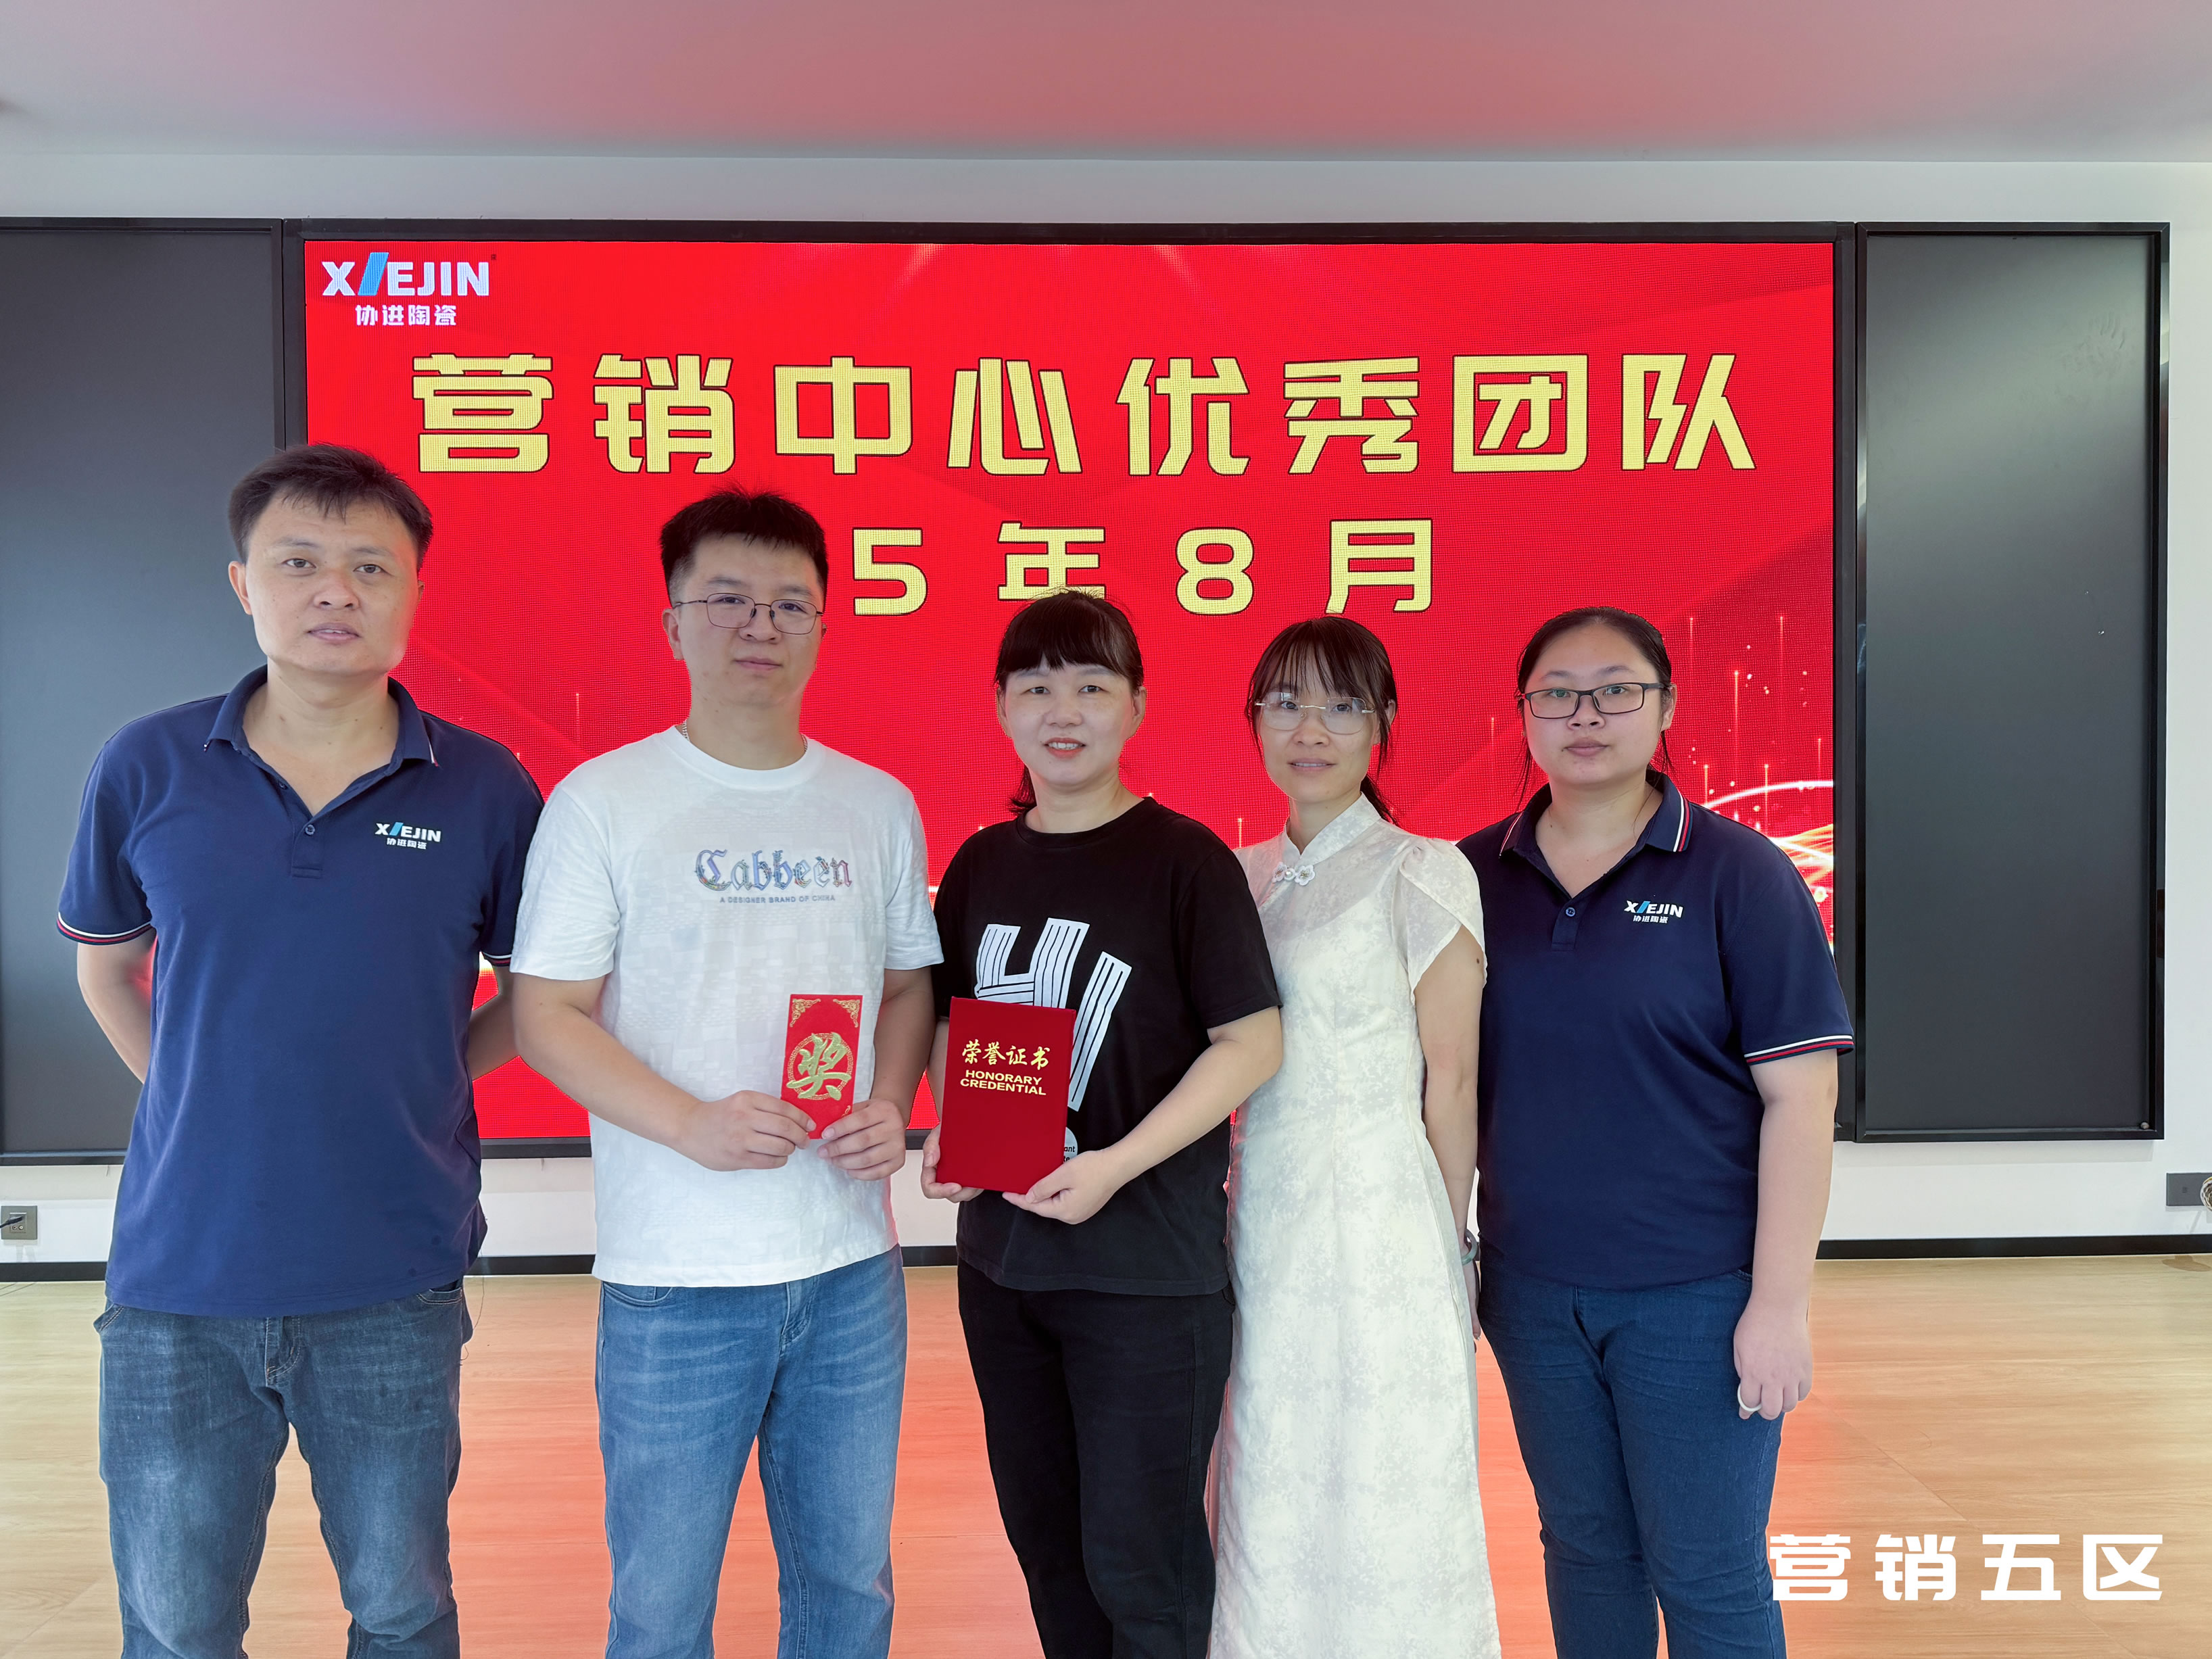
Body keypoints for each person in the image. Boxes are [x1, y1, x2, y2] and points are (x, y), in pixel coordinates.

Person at [59, 444, 544, 1659]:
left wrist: (429, 1072)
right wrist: (196, 1093)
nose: (336, 590)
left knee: (401, 1606)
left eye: (371, 566)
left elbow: (540, 997)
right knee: (175, 1622)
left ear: (415, 589)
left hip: (395, 1270)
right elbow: (105, 968)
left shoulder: (485, 786)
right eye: (299, 563)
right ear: (244, 584)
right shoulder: (146, 764)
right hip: (179, 1276)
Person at [510, 487, 937, 1659]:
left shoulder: (875, 803)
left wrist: (892, 1101)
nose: (761, 625)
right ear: (673, 623)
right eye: (729, 600)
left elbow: (908, 987)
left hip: (849, 1265)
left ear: (823, 627)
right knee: (660, 1608)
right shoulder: (604, 801)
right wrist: (689, 1121)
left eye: (791, 604)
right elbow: (545, 1015)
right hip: (676, 1275)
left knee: (849, 1588)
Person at [1458, 606, 1853, 1659]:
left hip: (1698, 1295)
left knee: (1709, 1568)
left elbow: (1801, 1101)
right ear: (1524, 714)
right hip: (1532, 1293)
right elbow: (1437, 1080)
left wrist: (1780, 1304)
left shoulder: (1739, 874)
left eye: (1617, 689)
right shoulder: (1470, 876)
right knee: (1586, 1548)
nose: (1586, 714)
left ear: (1666, 706)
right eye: (1558, 693)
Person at [917, 590, 1282, 1659]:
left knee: (1143, 1562)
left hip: (1148, 1277)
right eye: (1036, 687)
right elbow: (947, 1016)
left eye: (1090, 685)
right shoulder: (980, 864)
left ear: (1136, 706)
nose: (1062, 710)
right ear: (1001, 706)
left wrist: (1117, 1164)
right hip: (1003, 1270)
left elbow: (1252, 1041)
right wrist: (955, 1127)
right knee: (1051, 1549)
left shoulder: (1186, 861)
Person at [1210, 616, 1501, 1659]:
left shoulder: (1421, 870)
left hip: (1382, 1225)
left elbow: (1451, 1080)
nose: (1311, 730)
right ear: (1254, 720)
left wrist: (1452, 1241)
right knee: (1266, 1460)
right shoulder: (1234, 875)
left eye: (1341, 705)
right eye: (1286, 703)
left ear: (1382, 723)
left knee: (1387, 1468)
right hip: (1261, 1216)